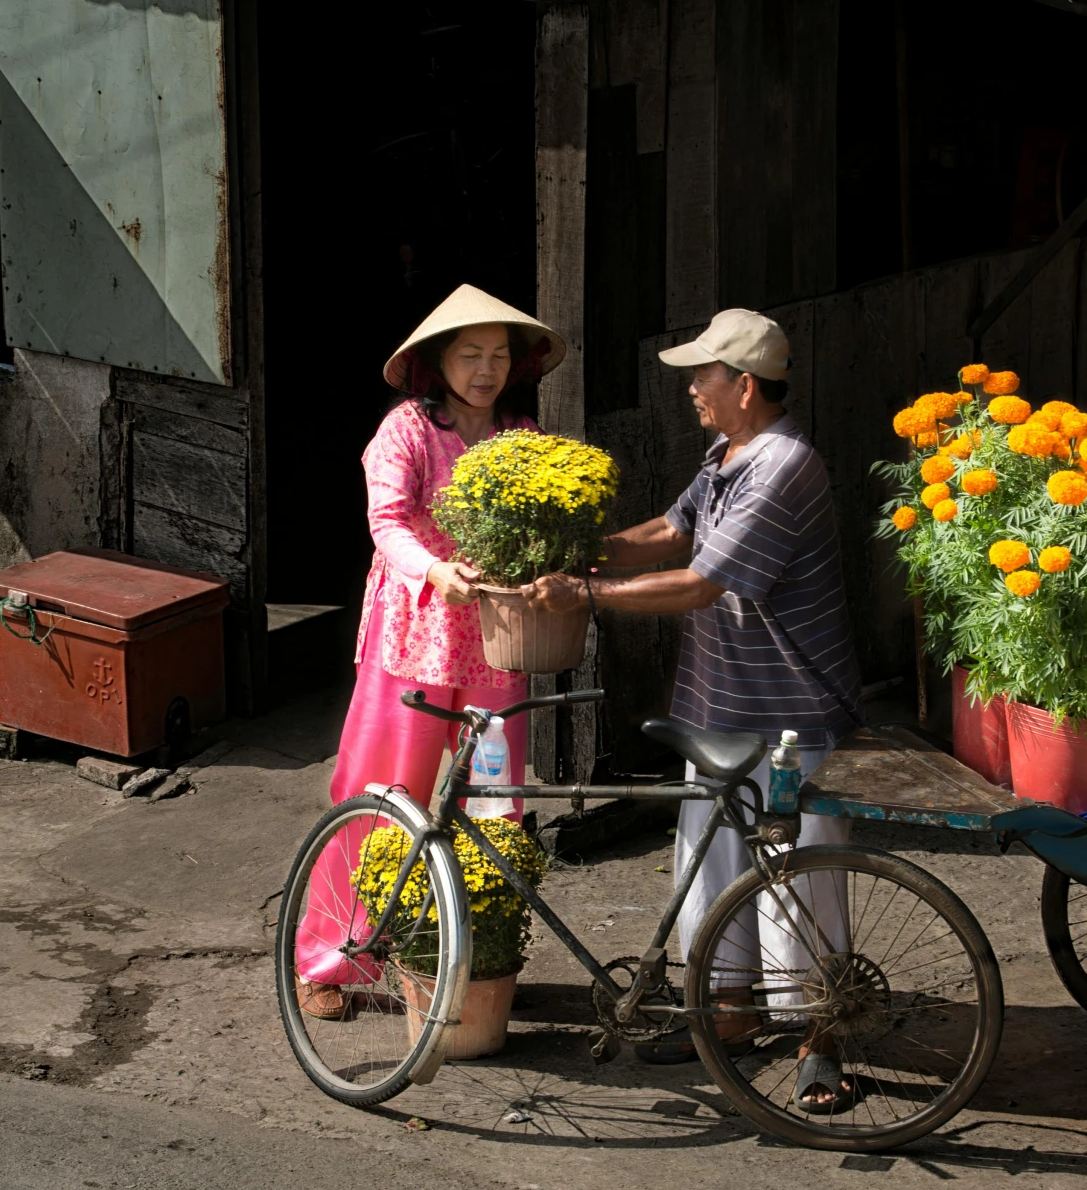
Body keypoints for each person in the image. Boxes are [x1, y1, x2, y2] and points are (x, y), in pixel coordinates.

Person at [524, 308, 862, 1109]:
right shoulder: (726, 454)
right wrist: (582, 546)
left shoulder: (783, 466)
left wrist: (585, 592)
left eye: (702, 375)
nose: (689, 388)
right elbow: (670, 533)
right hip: (721, 701)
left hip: (788, 711)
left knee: (796, 875)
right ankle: (732, 1013)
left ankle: (823, 1034)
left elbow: (699, 581)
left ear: (743, 385)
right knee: (714, 865)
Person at [292, 284, 567, 1019]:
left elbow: (545, 525)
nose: (485, 369)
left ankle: (477, 960)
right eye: (469, 354)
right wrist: (435, 569)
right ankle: (330, 960)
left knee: (493, 806)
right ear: (435, 362)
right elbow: (385, 523)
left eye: (498, 355)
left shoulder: (521, 435)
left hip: (495, 648)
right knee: (381, 795)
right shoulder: (406, 430)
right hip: (410, 639)